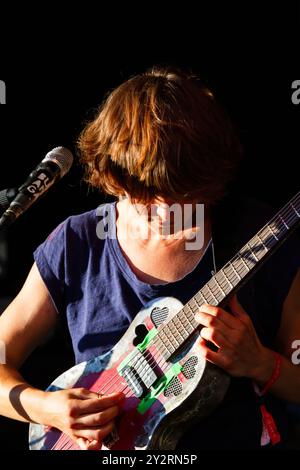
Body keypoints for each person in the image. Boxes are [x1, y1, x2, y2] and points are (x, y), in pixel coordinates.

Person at [0, 67, 299, 450]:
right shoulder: (77, 242)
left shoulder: (260, 235)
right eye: (143, 191)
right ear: (112, 174)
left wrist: (259, 362)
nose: (163, 209)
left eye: (180, 192)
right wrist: (47, 408)